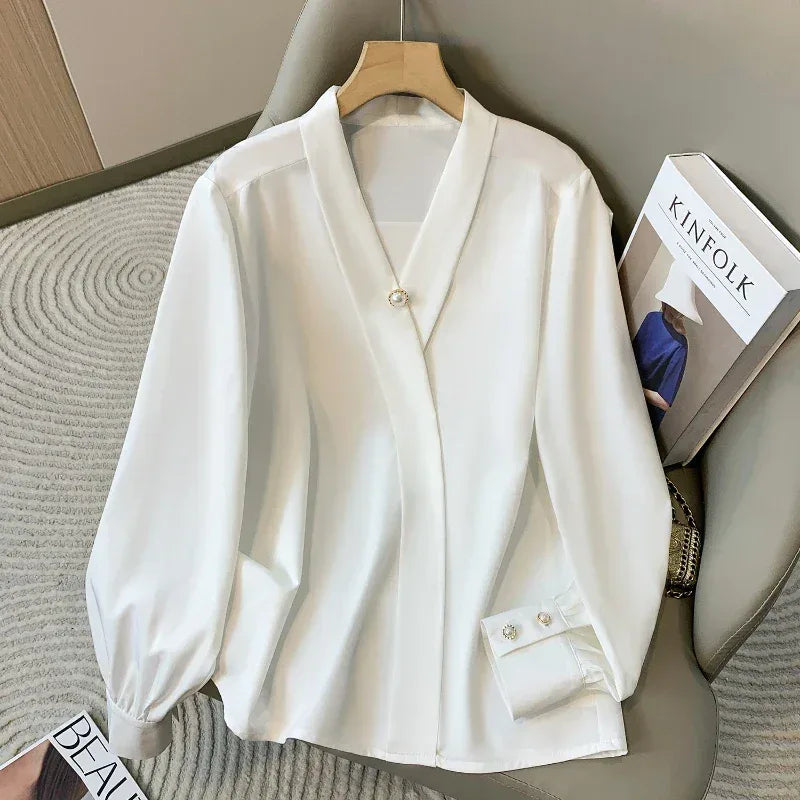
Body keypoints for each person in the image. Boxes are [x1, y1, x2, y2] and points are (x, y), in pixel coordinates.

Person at [632, 259, 703, 430]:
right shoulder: (652, 319)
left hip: (642, 415)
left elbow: (664, 402)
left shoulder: (679, 346)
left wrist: (634, 388)